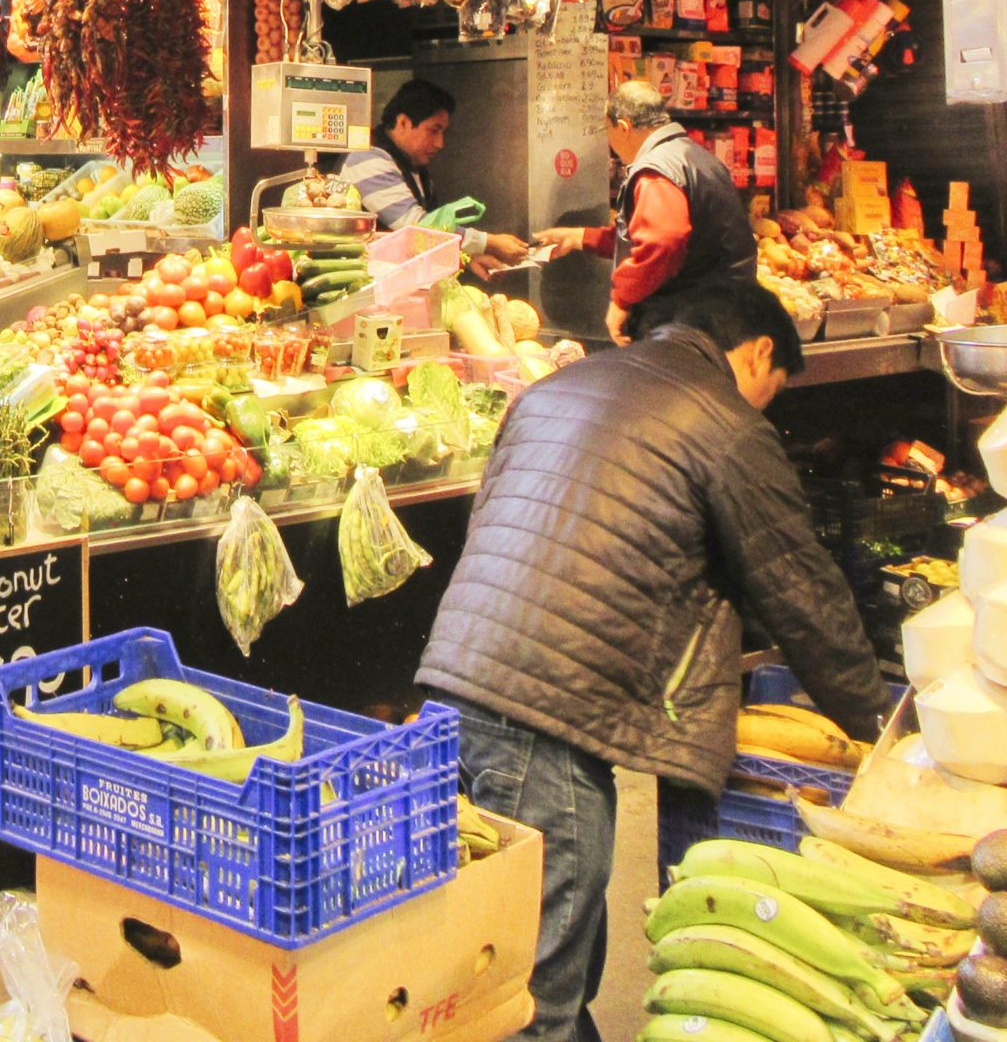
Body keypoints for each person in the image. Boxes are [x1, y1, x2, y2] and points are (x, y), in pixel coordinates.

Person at [416, 278, 883, 1042]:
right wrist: (877, 724)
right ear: (761, 351)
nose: (767, 405)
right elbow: (803, 593)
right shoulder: (727, 425)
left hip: (457, 683)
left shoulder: (556, 389)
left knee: (500, 954)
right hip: (549, 718)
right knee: (533, 993)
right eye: (774, 388)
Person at [536, 77, 757, 344]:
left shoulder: (656, 171)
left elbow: (664, 239)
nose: (610, 142)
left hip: (688, 328)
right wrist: (581, 237)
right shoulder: (698, 158)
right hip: (722, 317)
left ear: (624, 127)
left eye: (607, 129)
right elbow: (655, 238)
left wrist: (622, 299)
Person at [339, 79, 527, 280]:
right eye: (433, 130)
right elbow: (416, 227)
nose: (440, 143)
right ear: (403, 122)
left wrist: (467, 259)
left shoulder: (415, 168)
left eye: (442, 132)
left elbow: (423, 241)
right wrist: (488, 241)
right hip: (362, 287)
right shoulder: (367, 159)